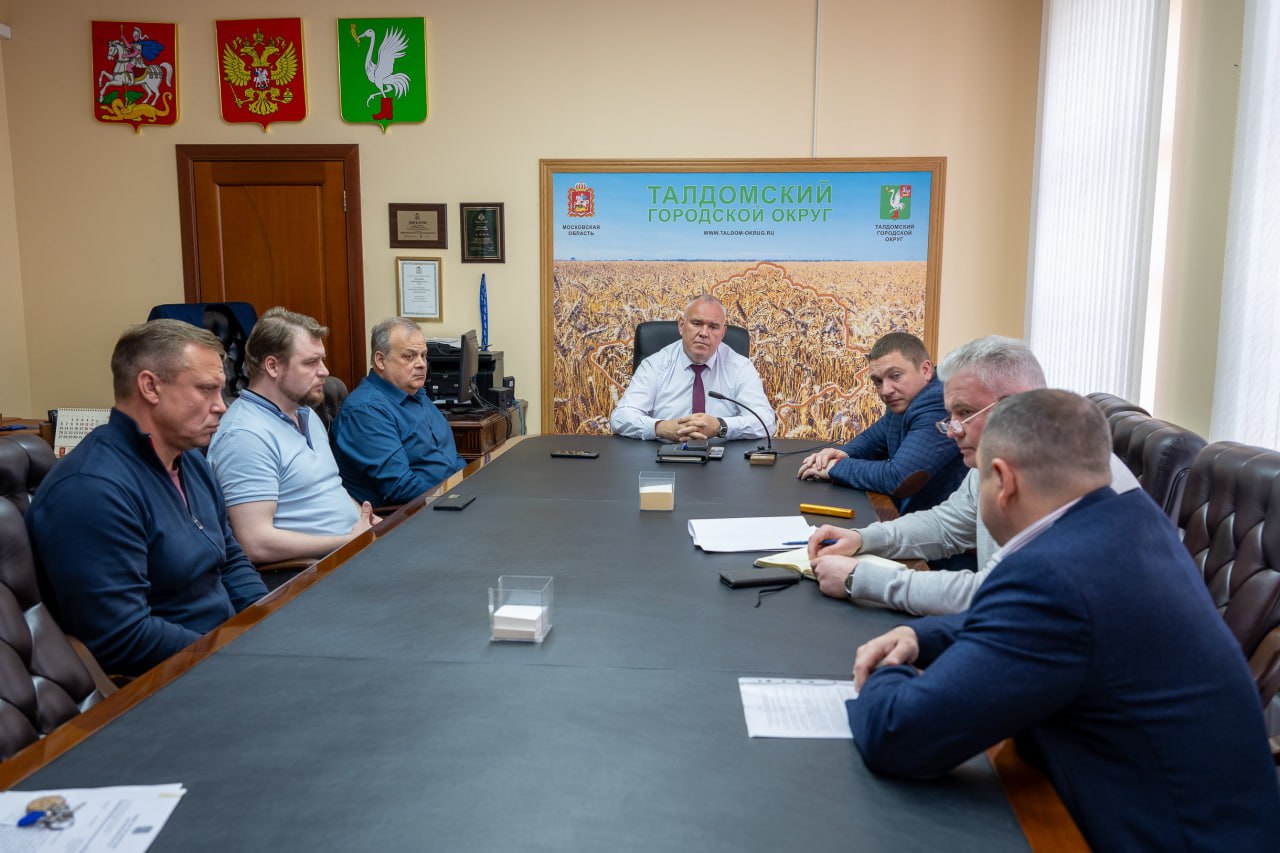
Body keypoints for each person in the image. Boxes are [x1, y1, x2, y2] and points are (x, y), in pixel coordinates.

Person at [848, 390, 1280, 850]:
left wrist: (884, 674)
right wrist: (920, 635)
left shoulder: (1054, 575)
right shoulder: (1131, 520)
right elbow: (1044, 625)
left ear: (1002, 480)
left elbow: (899, 735)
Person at [807, 335, 1139, 615]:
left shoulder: (1058, 475)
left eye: (964, 413)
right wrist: (865, 539)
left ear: (1013, 406)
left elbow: (997, 596)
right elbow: (947, 524)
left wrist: (860, 579)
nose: (951, 430)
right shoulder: (999, 457)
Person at [27, 320, 267, 676]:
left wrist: (269, 618)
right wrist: (237, 653)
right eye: (206, 390)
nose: (222, 406)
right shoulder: (91, 490)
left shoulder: (190, 461)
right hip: (166, 681)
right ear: (150, 386)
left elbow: (229, 558)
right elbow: (123, 637)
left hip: (222, 652)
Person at [208, 307, 376, 564]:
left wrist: (369, 522)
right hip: (313, 573)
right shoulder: (245, 436)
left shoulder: (306, 414)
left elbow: (327, 491)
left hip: (354, 553)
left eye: (322, 360)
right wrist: (349, 541)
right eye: (311, 362)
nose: (324, 371)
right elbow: (255, 543)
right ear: (272, 366)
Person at [795, 332, 964, 513]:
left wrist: (836, 467)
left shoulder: (939, 400)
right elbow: (875, 438)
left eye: (896, 375)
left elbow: (899, 478)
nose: (885, 390)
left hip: (944, 531)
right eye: (878, 381)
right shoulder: (906, 398)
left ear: (925, 370)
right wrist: (841, 453)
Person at [331, 317, 466, 506]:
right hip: (407, 515)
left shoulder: (415, 393)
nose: (421, 364)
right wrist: (454, 498)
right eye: (409, 356)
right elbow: (400, 486)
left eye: (423, 355)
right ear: (380, 360)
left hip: (446, 499)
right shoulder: (366, 410)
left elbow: (451, 458)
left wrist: (469, 484)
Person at [610, 295, 775, 442]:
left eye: (713, 327)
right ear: (681, 325)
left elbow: (766, 422)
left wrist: (721, 426)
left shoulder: (740, 367)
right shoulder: (655, 365)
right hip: (665, 461)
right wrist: (661, 428)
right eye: (697, 323)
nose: (704, 333)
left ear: (723, 333)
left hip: (722, 463)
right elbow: (620, 419)